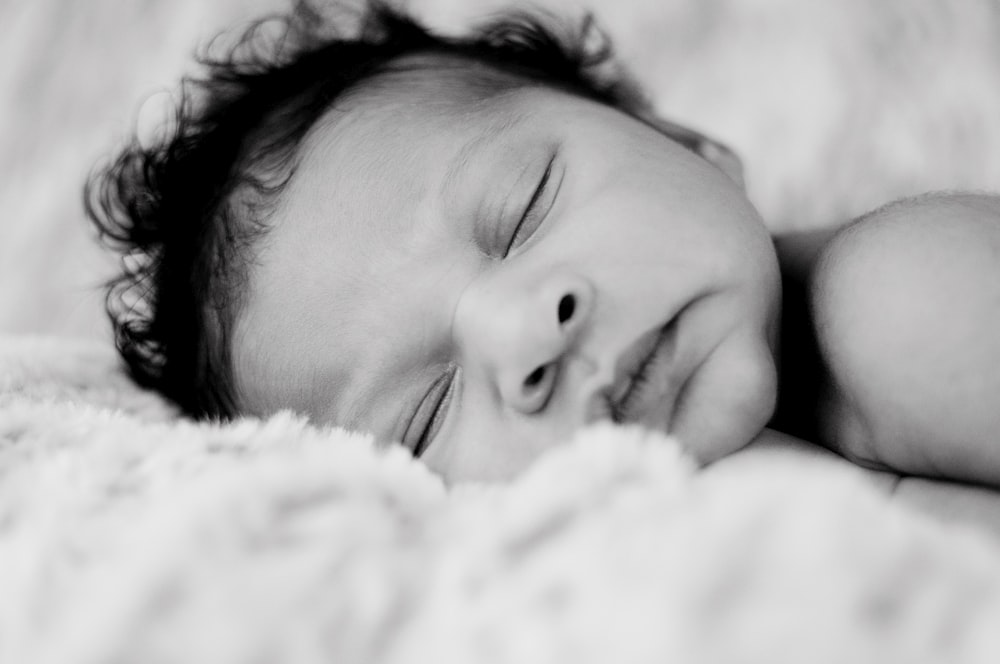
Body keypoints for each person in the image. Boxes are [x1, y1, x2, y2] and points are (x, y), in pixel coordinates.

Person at [86, 0, 1000, 484]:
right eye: (424, 416)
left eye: (523, 207)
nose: (527, 336)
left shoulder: (904, 296)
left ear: (688, 147)